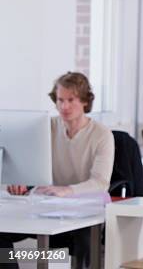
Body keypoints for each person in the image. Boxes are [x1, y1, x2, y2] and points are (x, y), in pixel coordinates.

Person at [1, 71, 115, 267]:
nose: (64, 106)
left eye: (71, 100)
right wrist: (19, 179)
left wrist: (67, 190)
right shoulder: (46, 127)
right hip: (47, 206)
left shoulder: (102, 135)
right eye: (60, 100)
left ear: (85, 101)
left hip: (83, 210)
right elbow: (27, 161)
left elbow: (100, 182)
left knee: (84, 241)